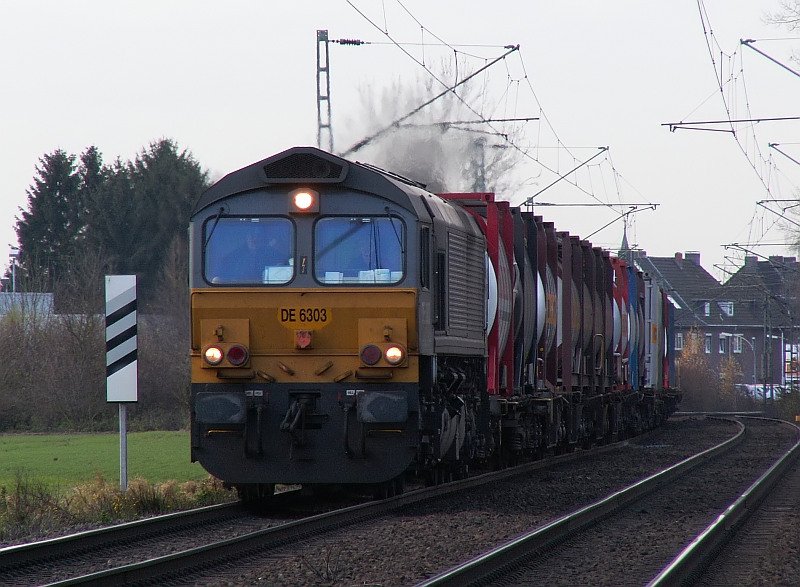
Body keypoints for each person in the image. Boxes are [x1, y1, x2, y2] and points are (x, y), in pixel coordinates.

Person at [214, 224, 288, 283]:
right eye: (252, 235)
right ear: (246, 237)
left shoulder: (275, 256)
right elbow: (218, 279)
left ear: (263, 238)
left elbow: (285, 270)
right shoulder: (232, 258)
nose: (254, 239)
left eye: (258, 236)